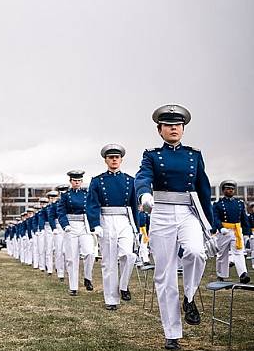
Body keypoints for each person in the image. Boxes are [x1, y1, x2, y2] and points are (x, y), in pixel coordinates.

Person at [135, 104, 211, 350]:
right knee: (165, 274)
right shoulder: (152, 155)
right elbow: (143, 176)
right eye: (168, 125)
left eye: (177, 125)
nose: (173, 129)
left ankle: (189, 298)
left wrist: (211, 222)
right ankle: (172, 333)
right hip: (162, 213)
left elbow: (204, 189)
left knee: (196, 252)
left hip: (189, 212)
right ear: (160, 130)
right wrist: (144, 195)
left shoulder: (194, 155)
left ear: (183, 128)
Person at [86, 144, 138, 310]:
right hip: (106, 220)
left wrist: (137, 228)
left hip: (124, 220)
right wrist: (95, 224)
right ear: (106, 160)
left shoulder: (130, 180)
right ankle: (111, 299)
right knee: (108, 262)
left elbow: (134, 207)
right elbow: (92, 204)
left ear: (121, 159)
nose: (114, 159)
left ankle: (123, 285)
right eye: (111, 157)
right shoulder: (97, 181)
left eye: (117, 157)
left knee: (128, 255)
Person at [57, 171, 94, 296]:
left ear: (81, 181)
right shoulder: (65, 196)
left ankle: (88, 277)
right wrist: (65, 225)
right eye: (74, 180)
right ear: (70, 181)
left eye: (79, 180)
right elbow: (60, 212)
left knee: (89, 252)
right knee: (71, 258)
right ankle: (73, 287)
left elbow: (93, 208)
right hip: (71, 226)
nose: (77, 182)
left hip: (85, 225)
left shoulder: (87, 194)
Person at [212, 180, 250, 283]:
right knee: (222, 253)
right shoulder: (218, 204)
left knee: (238, 252)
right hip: (224, 231)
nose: (231, 190)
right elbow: (215, 217)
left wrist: (247, 232)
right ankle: (221, 275)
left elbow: (244, 218)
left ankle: (243, 274)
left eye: (232, 189)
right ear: (223, 190)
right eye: (228, 189)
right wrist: (220, 227)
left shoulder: (239, 203)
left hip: (236, 231)